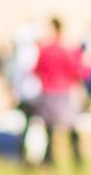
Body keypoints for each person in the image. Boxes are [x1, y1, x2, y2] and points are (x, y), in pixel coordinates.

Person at [33, 18, 88, 167]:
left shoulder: (46, 50)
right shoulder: (66, 50)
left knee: (50, 129)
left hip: (51, 92)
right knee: (69, 127)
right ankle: (76, 159)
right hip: (63, 92)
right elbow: (76, 71)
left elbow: (36, 70)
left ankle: (50, 160)